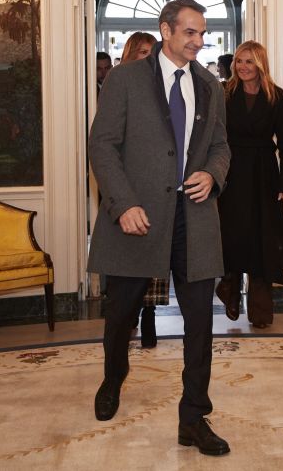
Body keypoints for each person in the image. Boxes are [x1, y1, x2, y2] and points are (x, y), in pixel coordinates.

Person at [87, 0, 231, 456]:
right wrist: (123, 204)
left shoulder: (210, 84)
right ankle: (113, 378)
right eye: (190, 32)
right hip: (138, 218)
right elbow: (102, 146)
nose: (199, 41)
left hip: (194, 218)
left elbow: (221, 146)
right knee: (121, 315)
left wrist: (212, 174)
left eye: (203, 32)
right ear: (166, 30)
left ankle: (194, 417)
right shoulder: (125, 79)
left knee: (200, 323)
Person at [215, 41, 283, 328]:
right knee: (233, 235)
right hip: (231, 172)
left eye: (249, 61)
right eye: (239, 61)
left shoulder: (277, 96)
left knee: (264, 239)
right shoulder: (224, 93)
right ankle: (229, 287)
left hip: (265, 174)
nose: (243, 67)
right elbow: (212, 136)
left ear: (260, 64)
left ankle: (261, 310)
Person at [118, 31, 164, 348]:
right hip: (126, 188)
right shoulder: (119, 86)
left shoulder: (164, 89)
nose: (149, 59)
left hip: (158, 189)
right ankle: (127, 316)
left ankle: (149, 316)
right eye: (143, 52)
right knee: (129, 260)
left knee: (154, 257)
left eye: (153, 53)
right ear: (131, 54)